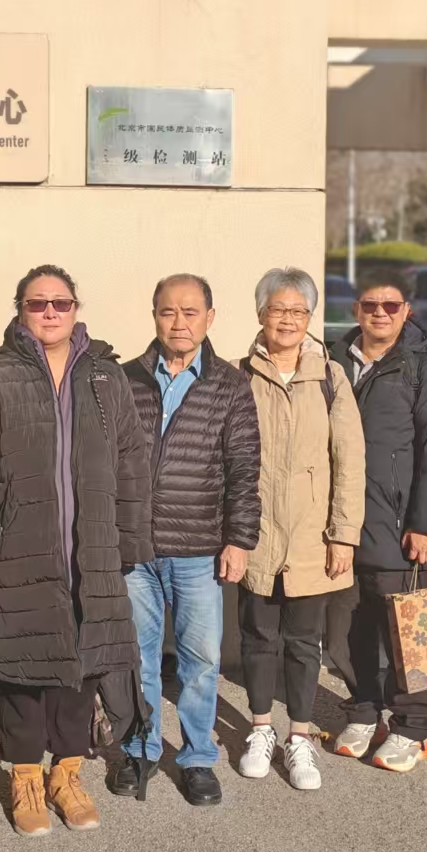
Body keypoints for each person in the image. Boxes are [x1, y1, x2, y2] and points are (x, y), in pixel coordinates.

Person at [0, 264, 152, 837]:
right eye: (37, 303)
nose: (49, 313)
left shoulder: (105, 376)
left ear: (75, 309)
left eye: (60, 303)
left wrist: (129, 542)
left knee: (82, 669)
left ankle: (66, 774)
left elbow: (132, 461)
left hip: (93, 551)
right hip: (20, 548)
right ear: (20, 309)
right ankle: (24, 779)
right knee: (21, 668)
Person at [110, 273, 261, 806]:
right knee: (138, 658)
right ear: (154, 316)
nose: (179, 322)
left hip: (199, 549)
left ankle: (197, 758)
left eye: (190, 311)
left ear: (210, 318)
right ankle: (141, 749)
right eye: (168, 311)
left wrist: (239, 539)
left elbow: (244, 468)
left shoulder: (229, 384)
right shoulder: (125, 379)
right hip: (135, 550)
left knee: (200, 663)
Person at [325, 271, 427, 772]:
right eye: (370, 305)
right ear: (356, 309)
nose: (379, 313)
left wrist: (426, 523)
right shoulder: (333, 360)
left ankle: (413, 727)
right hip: (341, 521)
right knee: (345, 626)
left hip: (399, 523)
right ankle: (364, 711)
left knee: (414, 627)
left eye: (391, 306)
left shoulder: (425, 366)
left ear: (407, 311)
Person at [236, 268, 364, 791]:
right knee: (257, 636)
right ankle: (260, 729)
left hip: (314, 536)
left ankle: (300, 736)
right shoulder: (239, 374)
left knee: (305, 641)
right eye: (278, 309)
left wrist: (344, 533)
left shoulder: (330, 377)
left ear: (310, 318)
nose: (287, 320)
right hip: (258, 532)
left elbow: (349, 460)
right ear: (260, 314)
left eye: (298, 311)